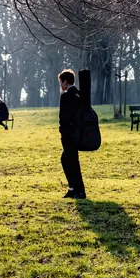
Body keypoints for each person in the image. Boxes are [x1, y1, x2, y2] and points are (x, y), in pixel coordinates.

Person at [58, 69, 86, 199]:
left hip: (69, 133)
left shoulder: (65, 96)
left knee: (72, 161)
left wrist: (63, 131)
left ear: (65, 81)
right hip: (78, 132)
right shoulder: (80, 94)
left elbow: (64, 117)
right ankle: (72, 188)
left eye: (61, 82)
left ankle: (79, 190)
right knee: (66, 159)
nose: (60, 85)